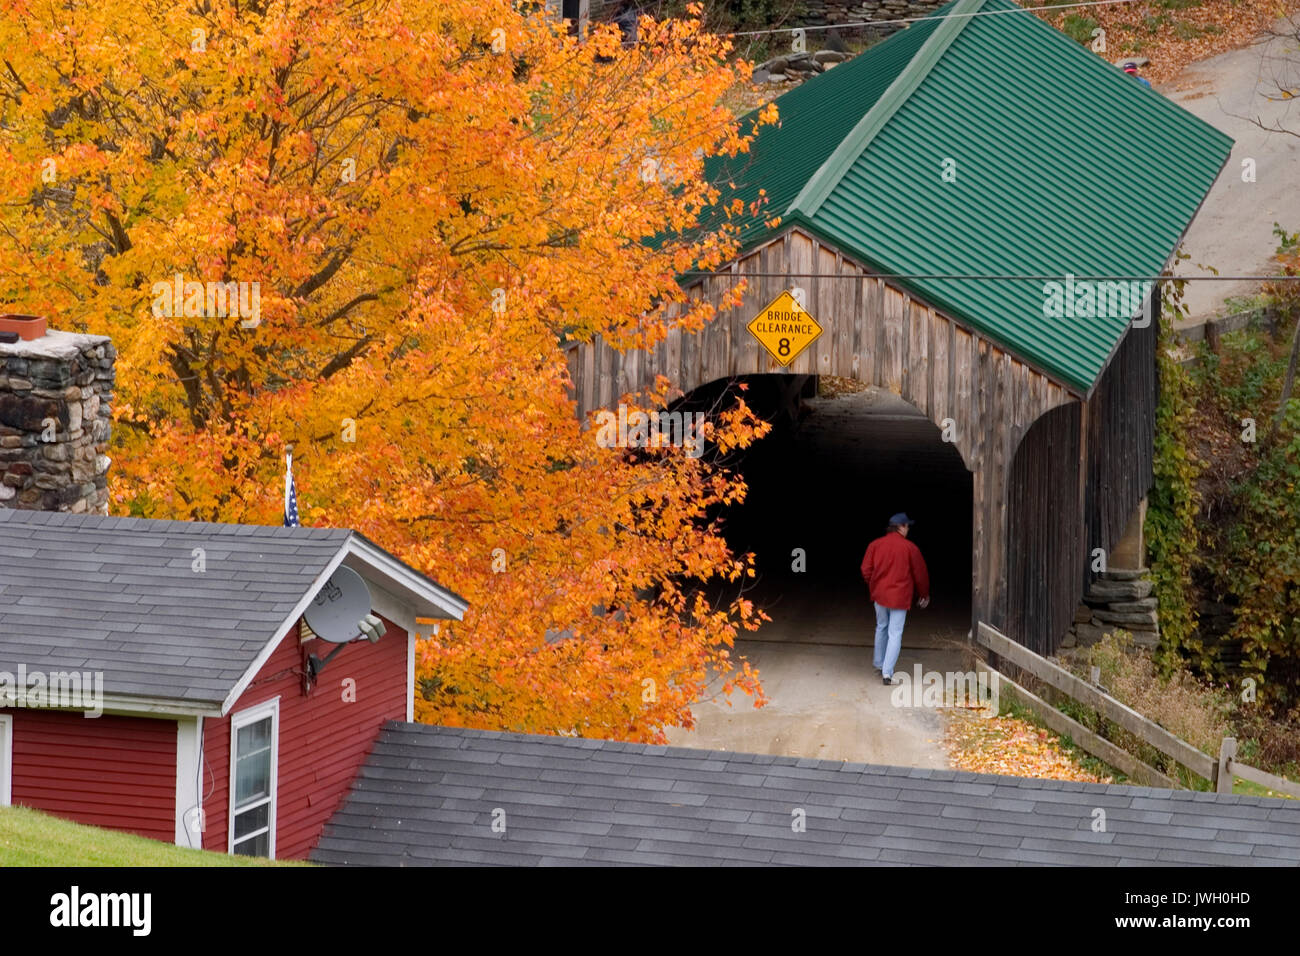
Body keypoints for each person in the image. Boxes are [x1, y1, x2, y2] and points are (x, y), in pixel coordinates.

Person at [860, 512, 930, 686]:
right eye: (907, 526)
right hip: (899, 597)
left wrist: (873, 585)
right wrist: (924, 594)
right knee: (895, 633)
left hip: (880, 596)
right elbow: (920, 574)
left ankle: (879, 663)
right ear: (901, 527)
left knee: (881, 627)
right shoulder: (910, 548)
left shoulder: (875, 545)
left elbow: (865, 569)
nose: (908, 530)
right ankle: (887, 673)